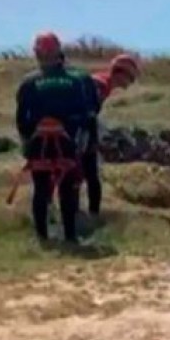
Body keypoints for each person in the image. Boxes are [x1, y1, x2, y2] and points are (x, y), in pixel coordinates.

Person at [15, 32, 99, 244]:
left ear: (37, 54)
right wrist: (81, 141)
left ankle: (42, 237)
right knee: (68, 189)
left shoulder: (29, 83)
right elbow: (86, 115)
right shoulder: (75, 81)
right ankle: (70, 237)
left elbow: (22, 120)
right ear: (58, 52)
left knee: (41, 189)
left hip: (39, 145)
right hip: (67, 144)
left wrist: (28, 143)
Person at [79, 53, 141, 217]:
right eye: (130, 78)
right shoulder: (101, 85)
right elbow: (88, 114)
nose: (130, 83)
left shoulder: (99, 81)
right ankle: (92, 214)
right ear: (121, 73)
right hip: (77, 128)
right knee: (91, 170)